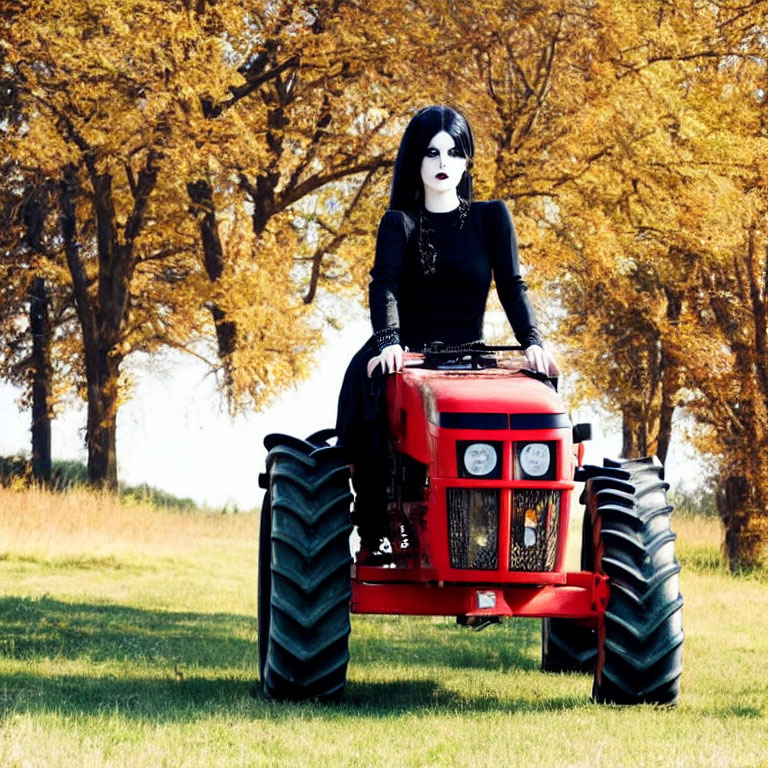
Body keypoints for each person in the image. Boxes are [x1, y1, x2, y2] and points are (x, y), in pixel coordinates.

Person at [336, 105, 557, 556]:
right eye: (431, 153)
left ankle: (523, 537)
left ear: (466, 161)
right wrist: (389, 341)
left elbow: (512, 286)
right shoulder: (398, 224)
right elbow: (386, 286)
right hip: (408, 352)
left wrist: (532, 342)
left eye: (453, 153)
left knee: (540, 393)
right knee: (376, 390)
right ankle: (374, 526)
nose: (442, 163)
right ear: (415, 161)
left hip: (468, 356)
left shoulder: (492, 218)